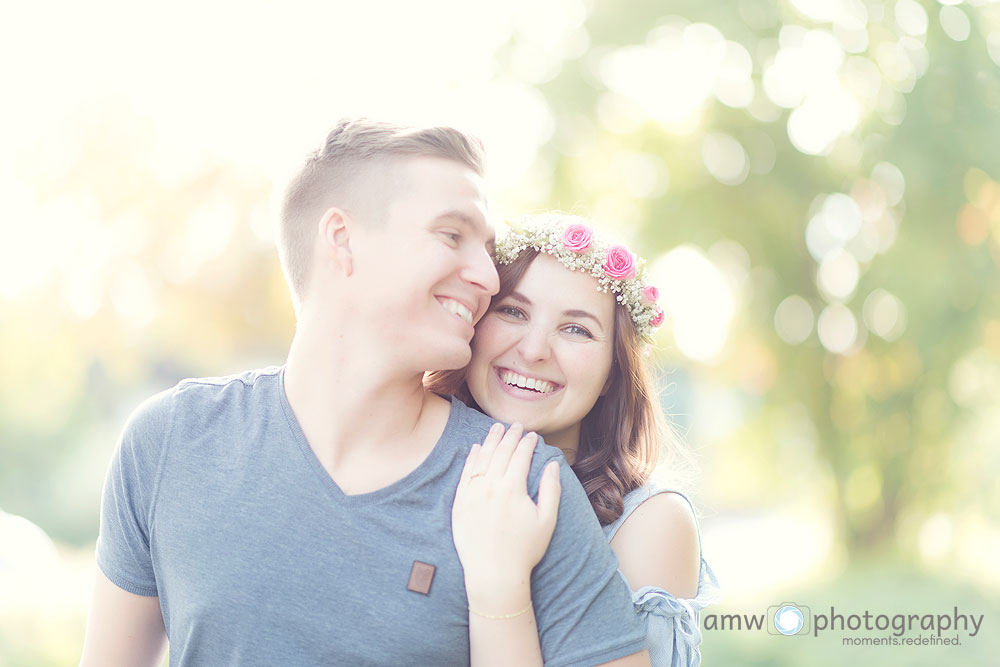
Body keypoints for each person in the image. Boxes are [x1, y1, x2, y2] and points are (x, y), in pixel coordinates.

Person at [80, 120, 650, 666]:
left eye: (485, 248)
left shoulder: (524, 485)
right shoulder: (172, 441)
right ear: (343, 240)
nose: (489, 276)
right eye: (452, 235)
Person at [426, 213, 720, 667]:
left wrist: (505, 587)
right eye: (513, 311)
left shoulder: (649, 523)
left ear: (611, 373)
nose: (534, 349)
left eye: (576, 329)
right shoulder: (413, 458)